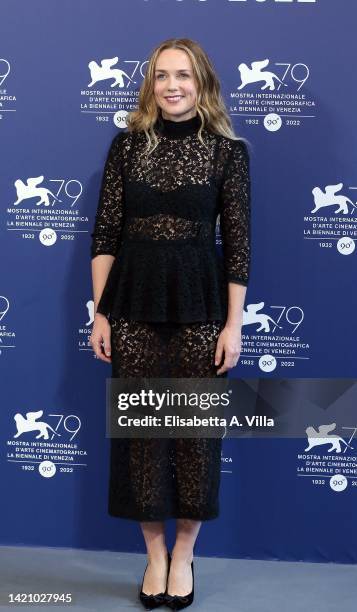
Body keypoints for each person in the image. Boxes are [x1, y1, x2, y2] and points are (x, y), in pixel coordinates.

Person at [89, 38, 251, 611]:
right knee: (140, 434)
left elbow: (238, 247)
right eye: (162, 76)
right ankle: (153, 555)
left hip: (201, 310)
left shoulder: (228, 154)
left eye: (183, 75)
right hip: (131, 306)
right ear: (150, 84)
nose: (173, 85)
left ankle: (184, 554)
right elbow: (105, 237)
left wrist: (233, 326)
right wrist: (100, 312)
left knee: (194, 436)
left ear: (202, 82)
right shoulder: (127, 146)